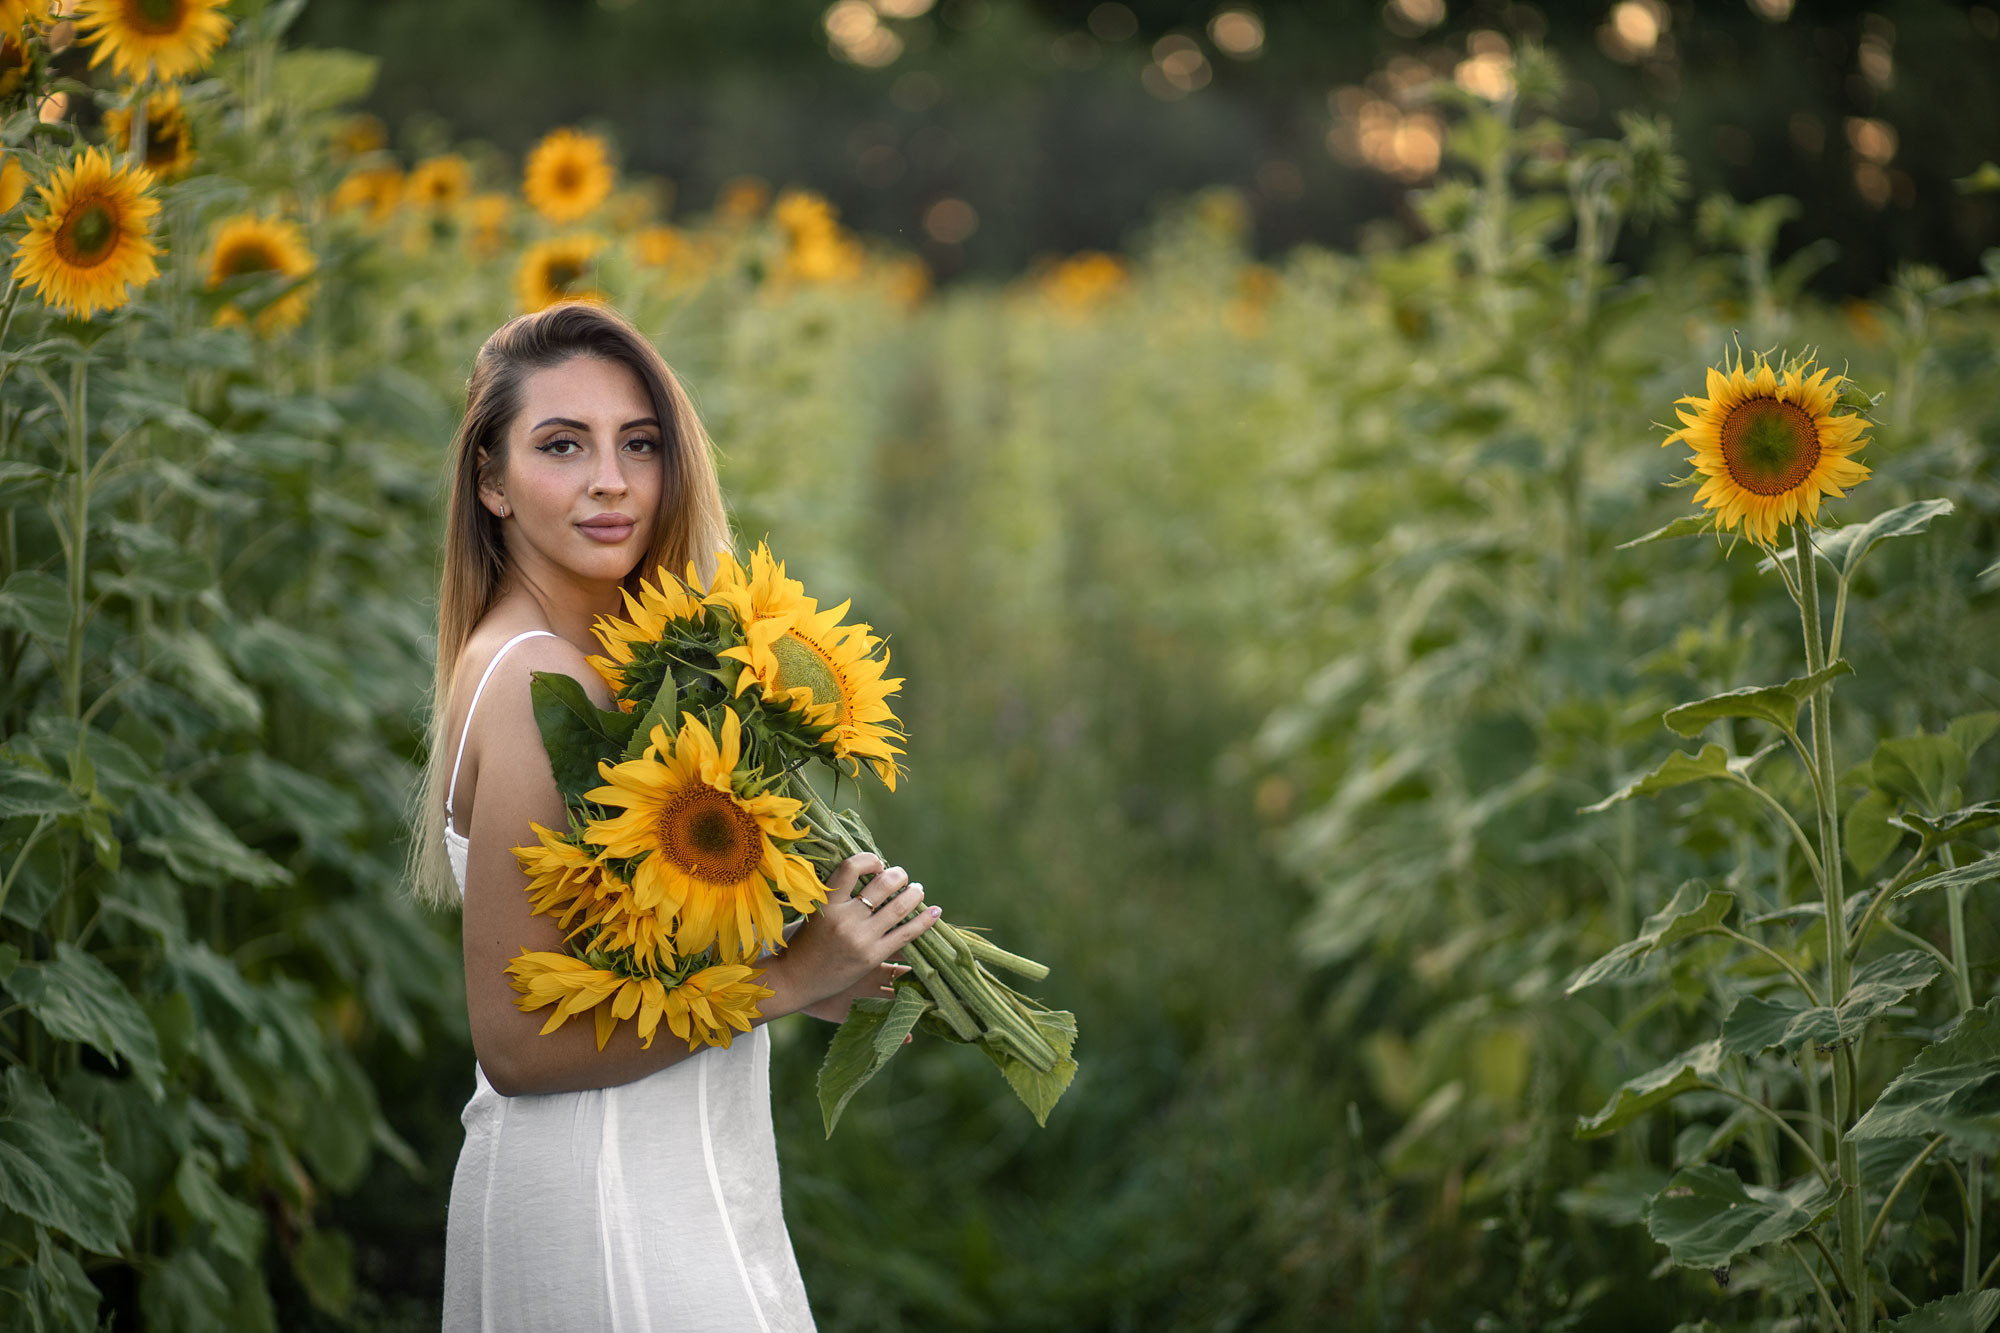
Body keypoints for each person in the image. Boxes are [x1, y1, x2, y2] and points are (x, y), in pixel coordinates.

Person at [409, 302, 941, 1330]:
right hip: (604, 1202)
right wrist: (783, 981)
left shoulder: (599, 666)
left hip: (671, 1180)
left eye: (639, 443)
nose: (611, 478)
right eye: (561, 444)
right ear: (490, 482)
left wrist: (819, 963)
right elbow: (516, 1046)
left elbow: (634, 961)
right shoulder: (534, 682)